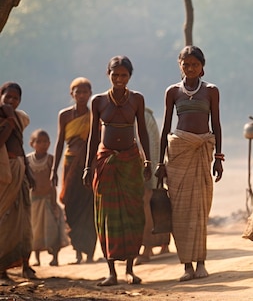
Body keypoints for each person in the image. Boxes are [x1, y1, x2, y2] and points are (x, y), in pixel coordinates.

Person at [155, 46, 223, 282]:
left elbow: (216, 123)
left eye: (195, 64)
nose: (190, 68)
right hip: (178, 153)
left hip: (203, 150)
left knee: (200, 210)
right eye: (186, 64)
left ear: (202, 66)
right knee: (181, 212)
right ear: (180, 65)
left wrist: (219, 158)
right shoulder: (173, 92)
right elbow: (165, 127)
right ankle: (186, 266)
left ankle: (201, 262)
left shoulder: (211, 91)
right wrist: (160, 162)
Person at [82, 56, 150, 286]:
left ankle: (130, 269)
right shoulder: (98, 101)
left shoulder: (137, 99)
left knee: (133, 214)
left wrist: (148, 161)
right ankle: (111, 270)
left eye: (124, 75)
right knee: (107, 216)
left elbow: (142, 131)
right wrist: (87, 166)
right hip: (105, 161)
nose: (119, 79)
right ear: (108, 74)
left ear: (130, 76)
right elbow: (93, 136)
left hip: (131, 161)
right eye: (115, 75)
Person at [50, 77, 97, 264]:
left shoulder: (95, 114)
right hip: (70, 164)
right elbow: (60, 142)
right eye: (78, 92)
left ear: (90, 94)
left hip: (88, 165)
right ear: (72, 94)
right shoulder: (64, 115)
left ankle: (90, 252)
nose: (82, 95)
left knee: (89, 207)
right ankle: (77, 251)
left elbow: (97, 140)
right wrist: (54, 169)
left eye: (85, 92)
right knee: (71, 206)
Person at [0, 82, 36, 285]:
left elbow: (20, 146)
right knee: (5, 221)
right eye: (8, 97)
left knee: (23, 222)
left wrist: (29, 172)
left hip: (20, 171)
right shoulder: (7, 117)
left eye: (15, 98)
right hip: (4, 173)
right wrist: (9, 119)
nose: (11, 101)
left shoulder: (19, 118)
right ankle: (2, 269)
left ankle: (25, 264)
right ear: (1, 96)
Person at [27, 129, 69, 267]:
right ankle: (37, 258)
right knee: (35, 231)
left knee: (52, 229)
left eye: (45, 142)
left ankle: (55, 257)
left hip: (48, 200)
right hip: (33, 201)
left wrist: (53, 201)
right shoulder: (28, 160)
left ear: (50, 143)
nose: (43, 144)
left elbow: (53, 182)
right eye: (39, 142)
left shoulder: (51, 159)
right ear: (31, 143)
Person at [135, 107, 170, 265]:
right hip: (145, 166)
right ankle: (160, 244)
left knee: (146, 203)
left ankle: (147, 248)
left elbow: (147, 146)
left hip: (144, 167)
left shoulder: (141, 117)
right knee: (152, 203)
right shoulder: (145, 116)